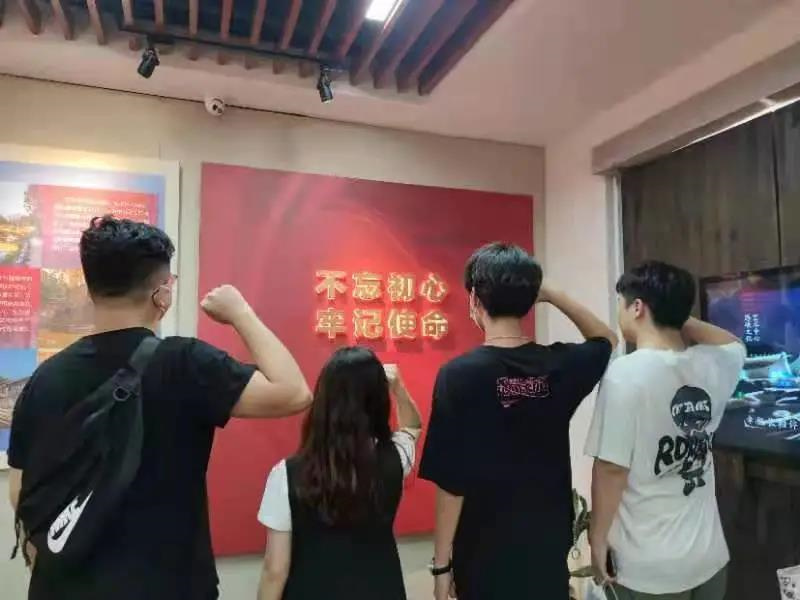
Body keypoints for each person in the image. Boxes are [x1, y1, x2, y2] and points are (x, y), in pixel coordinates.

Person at [7, 216, 312, 600]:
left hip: (63, 587)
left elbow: (20, 492)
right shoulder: (185, 363)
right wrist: (240, 313)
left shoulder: (44, 379)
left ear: (90, 289)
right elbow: (294, 392)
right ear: (162, 294)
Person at [419, 242, 618, 600]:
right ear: (531, 301)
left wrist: (441, 566)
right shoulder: (559, 366)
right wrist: (552, 294)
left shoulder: (458, 376)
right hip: (546, 547)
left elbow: (451, 484)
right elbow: (605, 338)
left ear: (474, 299)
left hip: (482, 553)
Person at [586, 260, 746, 600]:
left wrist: (597, 539)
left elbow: (612, 468)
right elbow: (734, 344)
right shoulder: (712, 363)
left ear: (637, 307)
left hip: (647, 569)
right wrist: (673, 311)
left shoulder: (624, 374)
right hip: (708, 558)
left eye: (621, 303)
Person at [256, 347, 422, 600]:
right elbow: (413, 425)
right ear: (379, 401)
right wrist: (398, 388)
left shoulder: (285, 475)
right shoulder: (397, 456)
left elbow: (275, 570)